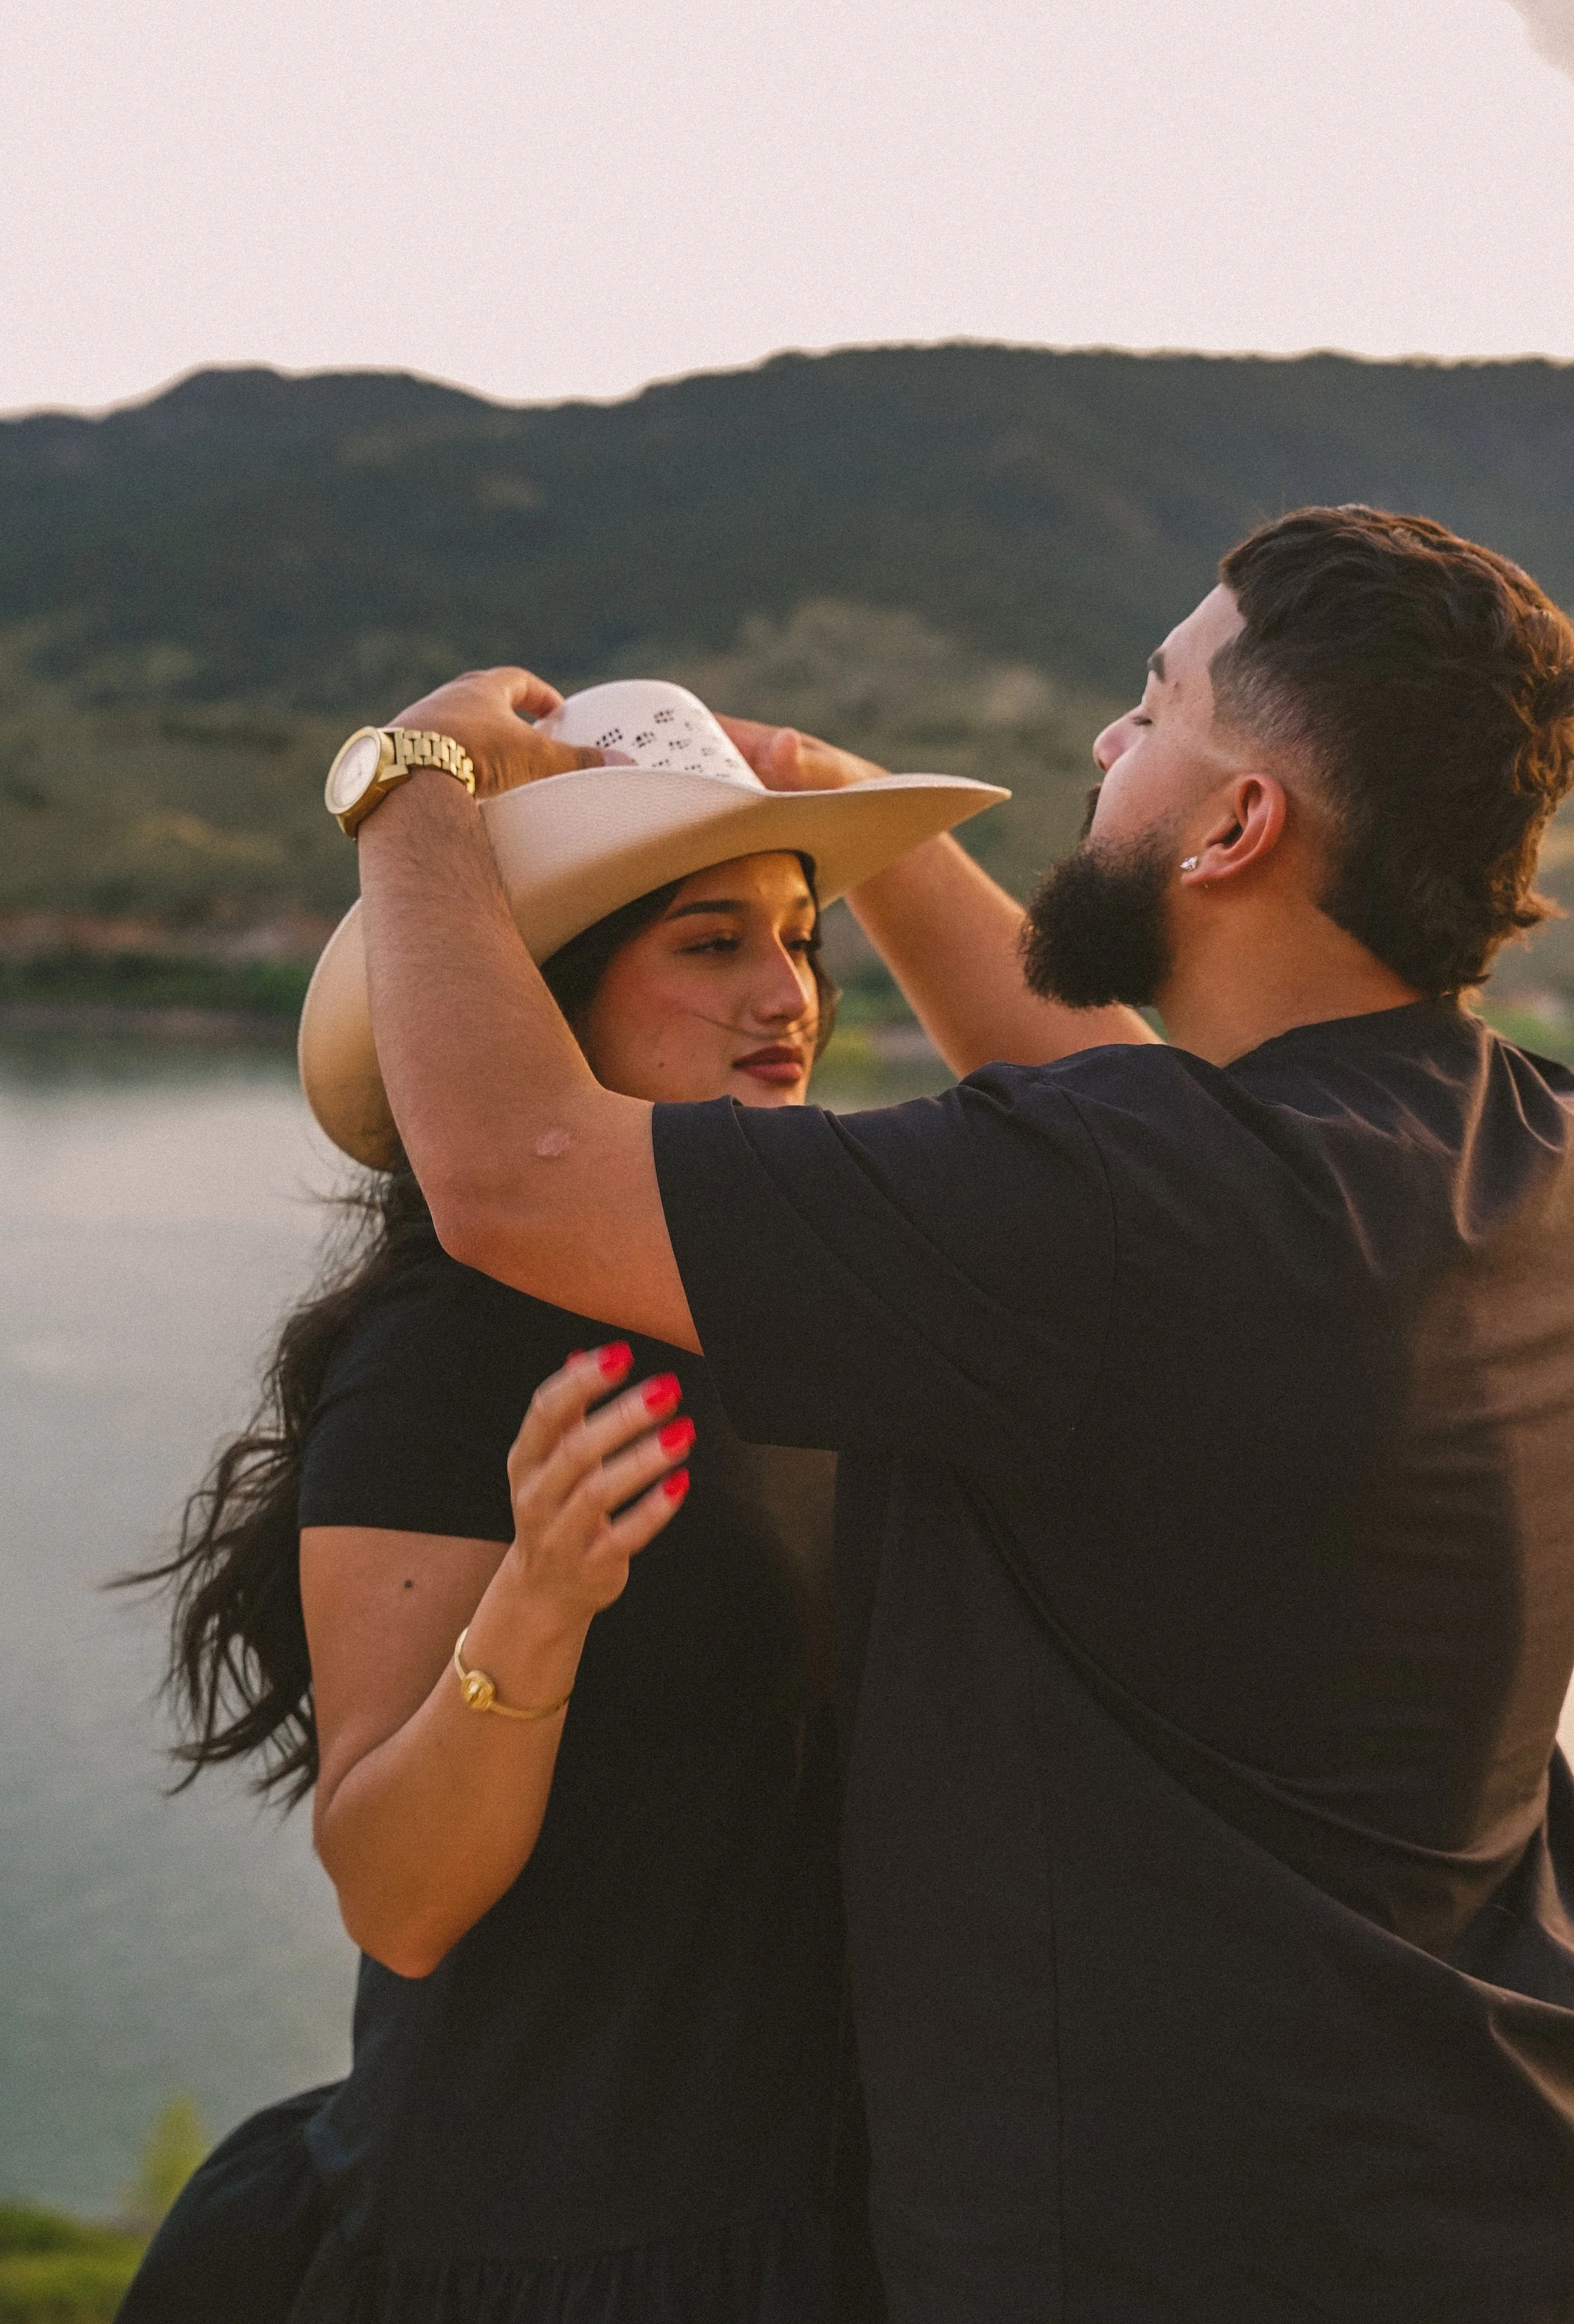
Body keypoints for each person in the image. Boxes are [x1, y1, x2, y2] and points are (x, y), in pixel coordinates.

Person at [342, 509, 1574, 2323]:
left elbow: (523, 1174)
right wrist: (837, 806)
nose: (1103, 741)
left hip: (1173, 2252)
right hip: (1476, 2189)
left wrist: (412, 780)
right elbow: (1117, 1122)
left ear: (1239, 826)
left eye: (1153, 705)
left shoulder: (1133, 1207)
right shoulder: (1509, 1156)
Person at [115, 698, 1020, 2324]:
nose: (786, 995)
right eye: (711, 941)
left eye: (802, 941)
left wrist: (811, 767)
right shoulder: (449, 1354)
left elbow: (1118, 1124)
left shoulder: (813, 1299)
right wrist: (533, 1607)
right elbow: (398, 1894)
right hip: (550, 2245)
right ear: (554, 992)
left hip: (843, 2231)